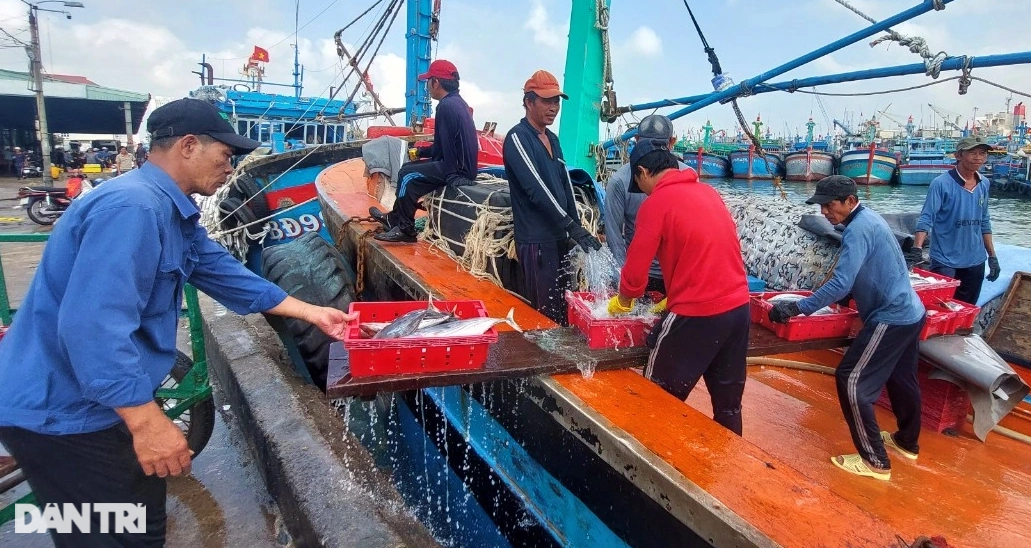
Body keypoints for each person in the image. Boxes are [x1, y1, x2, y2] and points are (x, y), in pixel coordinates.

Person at [0, 98, 355, 546]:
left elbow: (218, 269)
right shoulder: (133, 209)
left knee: (140, 524)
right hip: (65, 412)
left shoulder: (169, 209)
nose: (231, 168)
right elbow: (92, 328)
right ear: (188, 146)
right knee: (113, 536)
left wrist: (310, 311)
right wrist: (147, 424)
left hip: (92, 400)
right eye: (226, 155)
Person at [770, 176, 924, 481]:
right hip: (912, 311)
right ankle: (907, 442)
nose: (824, 212)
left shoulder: (857, 229)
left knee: (851, 379)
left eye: (829, 205)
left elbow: (841, 284)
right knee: (901, 379)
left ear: (850, 201)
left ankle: (875, 461)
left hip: (891, 317)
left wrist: (797, 307)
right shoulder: (870, 219)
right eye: (821, 206)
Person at [607, 139, 750, 434]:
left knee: (655, 397)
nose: (642, 192)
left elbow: (635, 270)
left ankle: (648, 455)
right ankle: (731, 456)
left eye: (639, 184)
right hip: (738, 308)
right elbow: (708, 252)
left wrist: (624, 300)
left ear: (643, 172)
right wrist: (672, 294)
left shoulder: (656, 203)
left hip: (696, 314)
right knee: (729, 406)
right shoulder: (708, 192)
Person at [503, 70, 601, 325]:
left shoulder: (553, 139)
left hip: (560, 237)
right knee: (544, 314)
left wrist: (576, 229)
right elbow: (536, 189)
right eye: (546, 101)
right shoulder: (517, 138)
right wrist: (571, 226)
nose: (554, 107)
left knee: (564, 308)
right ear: (529, 102)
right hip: (536, 240)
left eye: (556, 101)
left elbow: (565, 183)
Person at [369, 59, 478, 243]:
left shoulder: (446, 106)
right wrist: (421, 153)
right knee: (408, 169)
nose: (427, 86)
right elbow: (444, 147)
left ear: (436, 82)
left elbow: (446, 153)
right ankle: (394, 219)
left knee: (407, 175)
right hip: (461, 166)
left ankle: (405, 229)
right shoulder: (458, 103)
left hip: (457, 170)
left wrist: (452, 177)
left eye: (428, 81)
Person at [603, 114, 689, 294]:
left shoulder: (688, 177)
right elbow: (614, 238)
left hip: (676, 275)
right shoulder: (619, 182)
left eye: (659, 146)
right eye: (647, 145)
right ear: (636, 140)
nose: (653, 152)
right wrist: (625, 281)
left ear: (671, 143)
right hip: (639, 274)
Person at [909, 135, 999, 304]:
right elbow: (927, 217)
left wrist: (992, 256)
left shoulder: (984, 183)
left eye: (982, 153)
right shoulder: (941, 183)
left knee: (967, 307)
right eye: (972, 152)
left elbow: (984, 221)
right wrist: (917, 249)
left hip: (975, 259)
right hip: (945, 259)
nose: (978, 157)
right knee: (941, 306)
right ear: (958, 155)